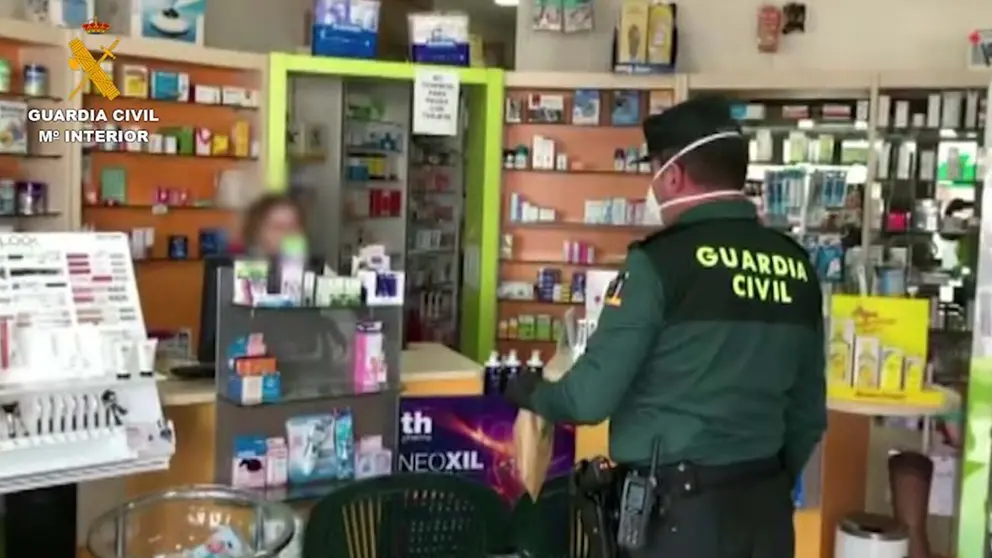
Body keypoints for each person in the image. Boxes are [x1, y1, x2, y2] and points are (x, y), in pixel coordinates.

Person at [505, 97, 827, 558]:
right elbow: (808, 415)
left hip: (680, 519)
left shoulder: (659, 263)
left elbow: (589, 398)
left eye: (654, 172)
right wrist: (767, 483)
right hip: (767, 513)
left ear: (673, 176)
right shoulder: (796, 267)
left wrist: (532, 392)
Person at [238, 192, 308, 255]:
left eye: (293, 226)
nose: (288, 233)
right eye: (278, 227)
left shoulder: (313, 267)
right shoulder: (246, 266)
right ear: (257, 233)